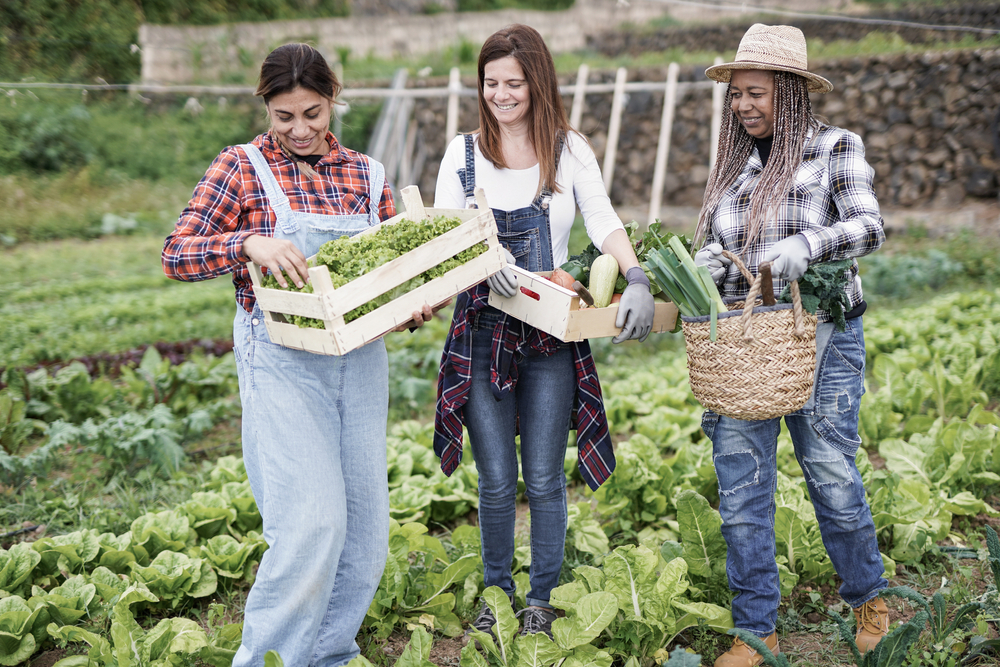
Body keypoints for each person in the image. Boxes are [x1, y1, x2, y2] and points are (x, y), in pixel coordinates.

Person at [162, 43, 433, 666]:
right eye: (285, 117)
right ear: (266, 108)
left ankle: (329, 655)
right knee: (311, 524)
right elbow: (176, 252)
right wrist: (248, 241)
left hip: (361, 362)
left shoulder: (367, 174)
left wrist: (411, 305)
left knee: (365, 538)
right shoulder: (242, 166)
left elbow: (396, 273)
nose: (301, 130)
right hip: (282, 361)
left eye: (313, 113)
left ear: (333, 99)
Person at [432, 24, 655, 641]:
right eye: (491, 83)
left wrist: (634, 275)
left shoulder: (568, 149)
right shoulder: (464, 154)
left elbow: (603, 219)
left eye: (515, 83)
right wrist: (485, 260)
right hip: (482, 329)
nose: (502, 94)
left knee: (547, 477)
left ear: (538, 81)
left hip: (551, 331)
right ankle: (498, 593)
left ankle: (543, 597)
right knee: (499, 477)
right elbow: (444, 235)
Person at [692, 24, 889, 667]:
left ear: (791, 93)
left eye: (756, 93)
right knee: (742, 492)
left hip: (822, 337)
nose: (744, 105)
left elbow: (869, 225)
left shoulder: (835, 147)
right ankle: (756, 632)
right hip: (744, 346)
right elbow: (726, 259)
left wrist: (809, 246)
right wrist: (697, 269)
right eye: (737, 94)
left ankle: (867, 597)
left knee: (831, 476)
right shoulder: (732, 163)